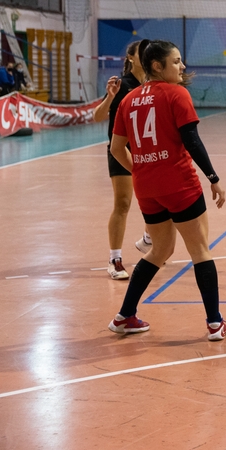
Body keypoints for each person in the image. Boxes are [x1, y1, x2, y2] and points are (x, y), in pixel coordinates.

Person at [106, 40, 226, 340]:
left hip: (147, 189)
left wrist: (139, 169)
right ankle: (215, 323)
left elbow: (116, 148)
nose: (182, 66)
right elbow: (191, 140)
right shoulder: (176, 93)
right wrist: (213, 177)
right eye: (176, 61)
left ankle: (124, 316)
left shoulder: (128, 99)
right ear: (157, 66)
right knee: (200, 250)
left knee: (160, 250)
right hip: (179, 184)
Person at [92, 41, 153, 280]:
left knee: (158, 199)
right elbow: (97, 116)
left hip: (147, 151)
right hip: (122, 151)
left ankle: (148, 240)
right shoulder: (122, 84)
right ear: (131, 58)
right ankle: (114, 259)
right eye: (142, 53)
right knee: (123, 203)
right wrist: (109, 98)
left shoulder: (152, 85)